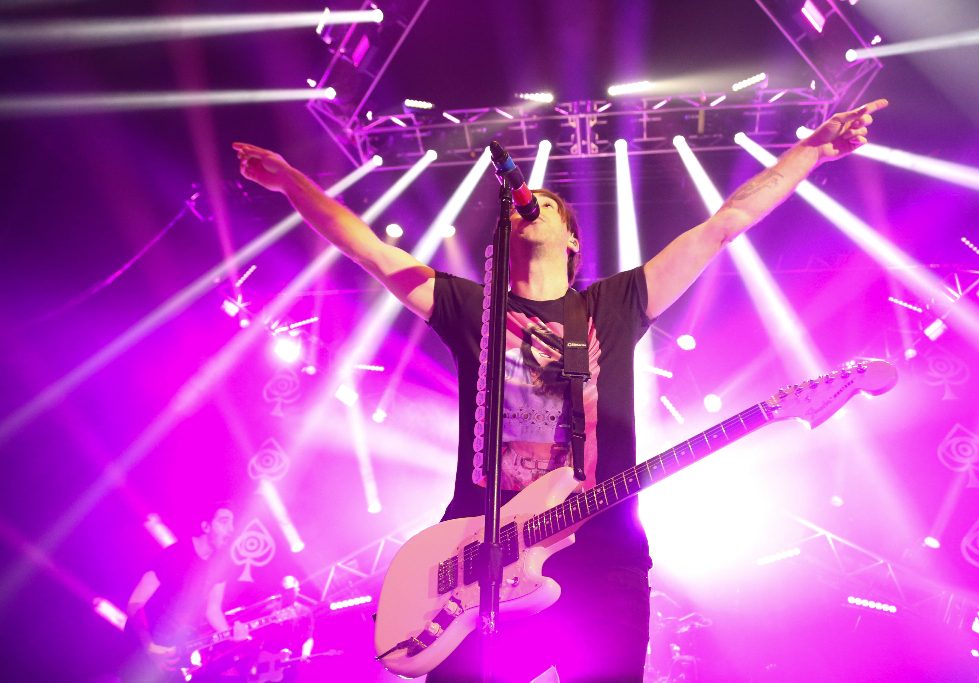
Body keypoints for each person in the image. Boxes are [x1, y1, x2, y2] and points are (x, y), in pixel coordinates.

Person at [233, 97, 887, 682]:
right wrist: (292, 182)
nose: (529, 204)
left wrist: (810, 151)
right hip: (479, 558)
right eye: (522, 205)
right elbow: (370, 251)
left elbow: (724, 223)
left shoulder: (616, 304)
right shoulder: (472, 309)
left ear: (571, 239)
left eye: (545, 203)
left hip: (603, 560)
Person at [124, 504, 248, 682]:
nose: (231, 529)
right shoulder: (175, 555)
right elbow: (135, 604)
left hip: (173, 652)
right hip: (143, 651)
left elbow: (213, 611)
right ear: (206, 527)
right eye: (224, 522)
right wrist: (150, 647)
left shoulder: (219, 567)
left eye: (232, 523)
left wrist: (231, 635)